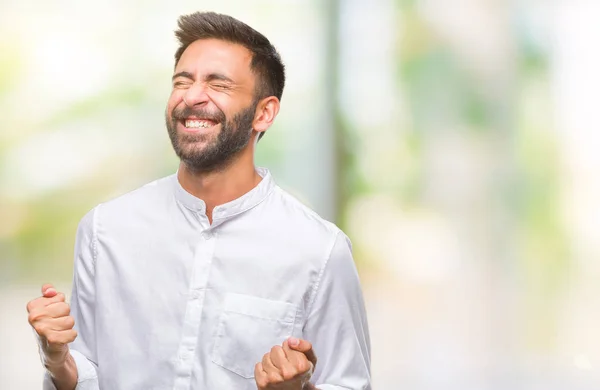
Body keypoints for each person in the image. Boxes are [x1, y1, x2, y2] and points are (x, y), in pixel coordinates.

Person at [26, 11, 371, 390]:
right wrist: (58, 361)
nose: (191, 96)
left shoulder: (319, 250)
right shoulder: (105, 230)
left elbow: (348, 383)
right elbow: (88, 374)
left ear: (264, 112)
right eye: (182, 80)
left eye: (217, 84)